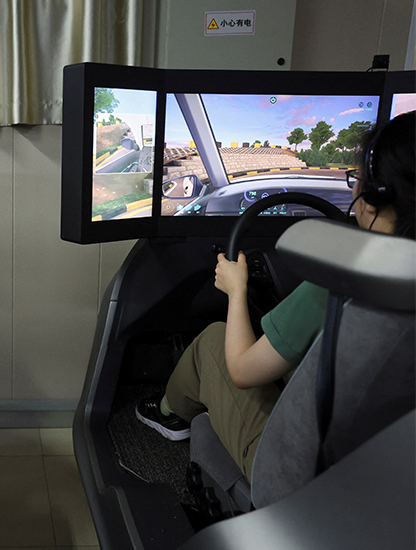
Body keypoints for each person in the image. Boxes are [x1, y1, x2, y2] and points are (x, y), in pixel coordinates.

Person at [135, 110, 416, 481]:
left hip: (296, 475)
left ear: (375, 196)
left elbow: (243, 371)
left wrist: (237, 290)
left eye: (356, 181)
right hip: (389, 470)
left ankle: (170, 412)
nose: (353, 190)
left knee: (213, 341)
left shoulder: (339, 287)